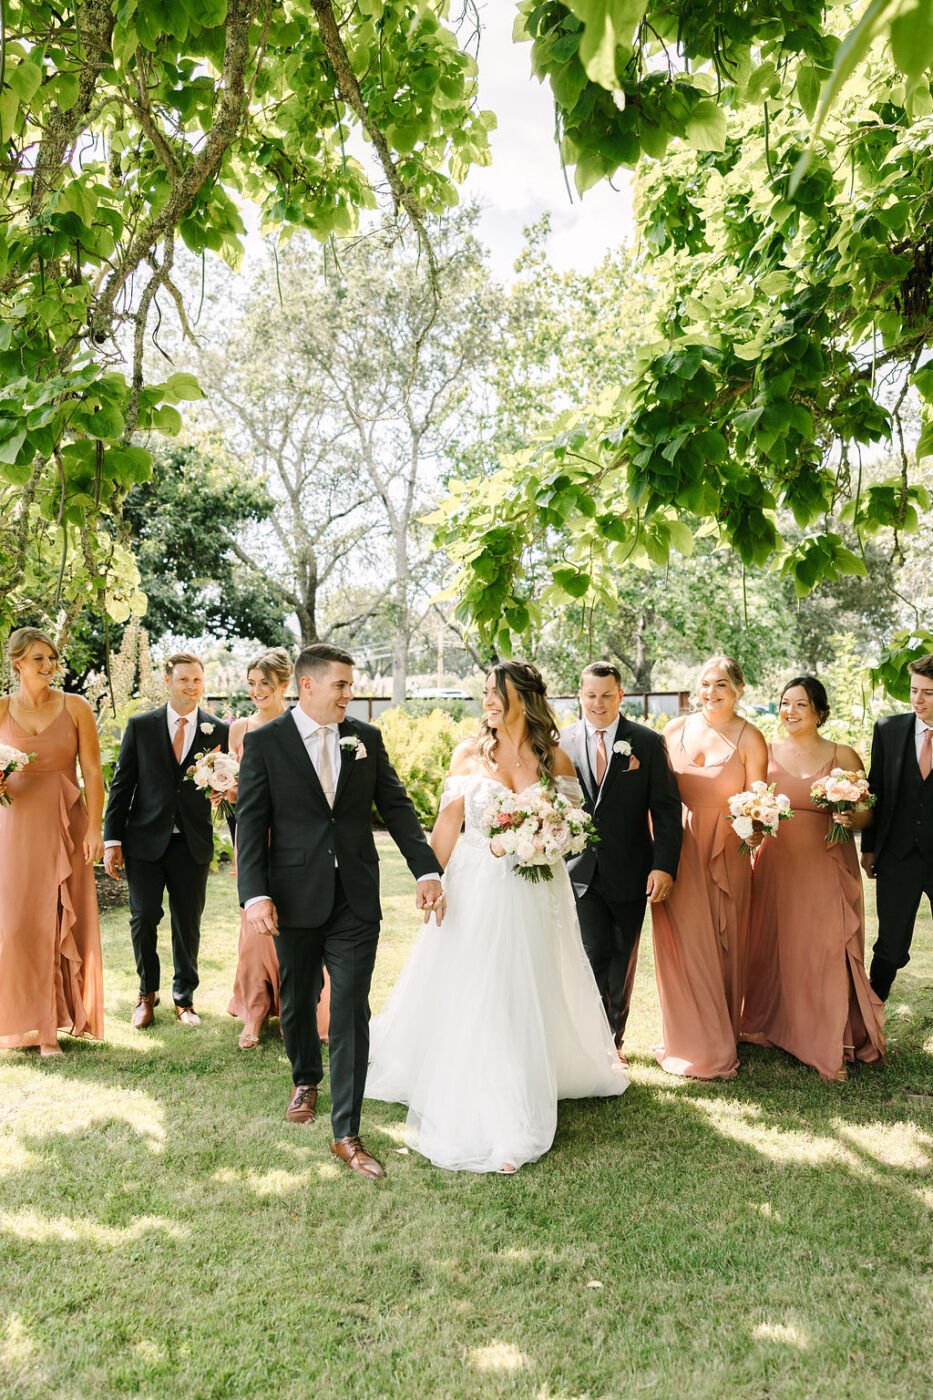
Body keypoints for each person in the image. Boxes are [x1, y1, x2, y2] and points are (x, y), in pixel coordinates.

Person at [366, 660, 628, 1175]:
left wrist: (547, 839)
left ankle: (522, 1086)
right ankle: (488, 1102)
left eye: (496, 693)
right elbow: (447, 826)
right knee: (479, 987)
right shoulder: (468, 752)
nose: (486, 700)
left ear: (522, 698)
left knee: (524, 986)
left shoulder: (554, 757)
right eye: (484, 691)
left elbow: (574, 828)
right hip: (476, 888)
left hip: (535, 893)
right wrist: (431, 879)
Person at [235, 642, 444, 1181]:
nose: (349, 695)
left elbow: (395, 806)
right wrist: (255, 894)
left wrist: (426, 871)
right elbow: (251, 823)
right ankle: (305, 1076)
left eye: (351, 686)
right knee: (299, 1001)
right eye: (341, 686)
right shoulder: (265, 743)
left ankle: (345, 1132)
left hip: (355, 895)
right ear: (307, 685)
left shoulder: (365, 740)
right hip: (292, 897)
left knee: (350, 1008)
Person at [742, 677, 884, 1080]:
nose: (790, 711)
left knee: (823, 950)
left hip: (826, 863)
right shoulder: (763, 753)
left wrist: (849, 815)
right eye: (785, 703)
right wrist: (751, 829)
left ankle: (826, 1039)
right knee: (778, 945)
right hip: (775, 865)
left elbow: (867, 813)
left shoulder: (842, 754)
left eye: (801, 705)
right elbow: (751, 808)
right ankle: (774, 1025)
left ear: (820, 711)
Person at [651, 656, 768, 1078]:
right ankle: (685, 1038)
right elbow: (657, 794)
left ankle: (719, 1039)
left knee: (722, 942)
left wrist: (757, 827)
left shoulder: (751, 737)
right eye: (704, 683)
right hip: (676, 848)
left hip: (727, 848)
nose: (711, 692)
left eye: (721, 684)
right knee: (680, 943)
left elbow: (759, 799)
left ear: (737, 688)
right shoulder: (674, 730)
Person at [559, 661, 682, 1062]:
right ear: (580, 695)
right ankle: (592, 1044)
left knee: (621, 958)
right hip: (578, 871)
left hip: (631, 870)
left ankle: (613, 1043)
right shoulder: (561, 741)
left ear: (620, 696)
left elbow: (665, 809)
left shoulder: (646, 742)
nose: (598, 703)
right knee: (590, 955)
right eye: (590, 695)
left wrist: (663, 866)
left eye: (606, 695)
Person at [103, 652, 228, 1028]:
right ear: (168, 681)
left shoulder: (217, 729)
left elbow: (226, 784)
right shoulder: (141, 726)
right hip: (144, 842)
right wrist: (112, 841)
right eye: (184, 680)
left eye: (197, 680)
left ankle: (184, 999)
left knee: (187, 922)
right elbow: (122, 787)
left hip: (192, 842)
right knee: (143, 917)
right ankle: (146, 994)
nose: (191, 687)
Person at [0, 627, 104, 1056]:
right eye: (38, 659)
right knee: (17, 924)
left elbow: (94, 773)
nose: (48, 666)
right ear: (17, 662)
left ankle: (51, 1029)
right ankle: (23, 1021)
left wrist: (96, 828)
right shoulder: (2, 708)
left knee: (62, 919)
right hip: (15, 827)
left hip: (66, 825)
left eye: (51, 658)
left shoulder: (77, 707)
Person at [226, 648, 332, 1049]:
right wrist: (224, 791)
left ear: (283, 686)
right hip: (253, 839)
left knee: (298, 924)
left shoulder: (300, 727)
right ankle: (253, 1013)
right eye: (251, 684)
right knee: (254, 932)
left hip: (291, 838)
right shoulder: (239, 730)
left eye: (264, 684)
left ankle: (297, 1010)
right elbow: (243, 793)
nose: (256, 691)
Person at [861, 653, 933, 1001]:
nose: (917, 700)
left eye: (928, 693)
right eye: (914, 690)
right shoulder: (888, 730)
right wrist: (869, 848)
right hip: (897, 857)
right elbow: (877, 793)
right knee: (889, 945)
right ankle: (871, 1016)